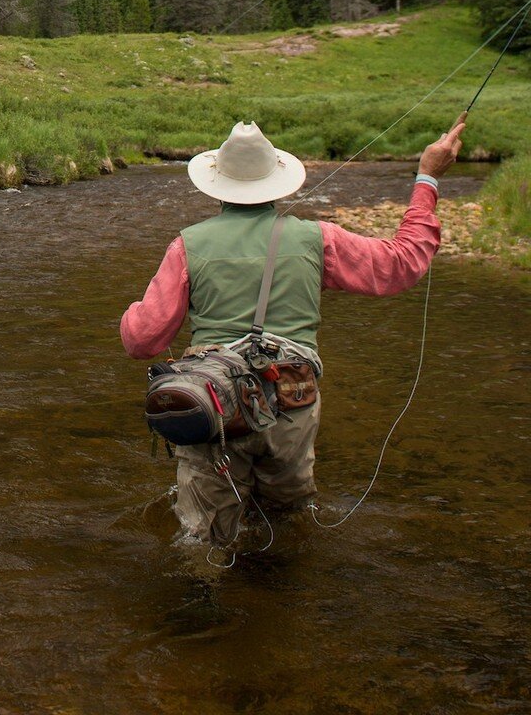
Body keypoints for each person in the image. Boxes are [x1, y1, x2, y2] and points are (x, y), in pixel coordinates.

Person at [121, 116, 465, 547]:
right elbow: (402, 264)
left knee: (203, 538)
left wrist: (138, 308)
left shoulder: (187, 244)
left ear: (216, 186)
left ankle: (203, 599)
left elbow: (141, 340)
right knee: (288, 523)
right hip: (291, 401)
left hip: (216, 407)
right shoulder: (317, 238)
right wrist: (427, 176)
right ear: (277, 183)